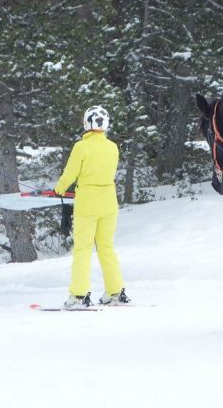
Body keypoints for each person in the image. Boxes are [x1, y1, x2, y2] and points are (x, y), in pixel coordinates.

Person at [54, 105, 129, 309]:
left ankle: (78, 295)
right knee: (106, 248)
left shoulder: (81, 147)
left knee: (83, 250)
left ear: (87, 122)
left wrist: (59, 189)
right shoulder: (112, 147)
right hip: (109, 203)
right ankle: (115, 291)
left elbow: (70, 173)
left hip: (87, 204)